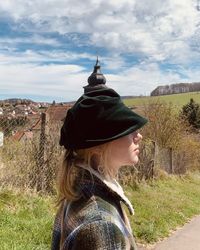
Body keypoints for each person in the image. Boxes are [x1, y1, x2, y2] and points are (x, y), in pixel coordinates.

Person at [51, 87, 147, 250]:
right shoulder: (101, 226)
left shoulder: (78, 192)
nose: (138, 136)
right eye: (128, 129)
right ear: (96, 146)